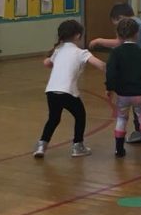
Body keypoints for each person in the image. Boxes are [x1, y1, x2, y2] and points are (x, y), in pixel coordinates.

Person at [34, 19, 105, 159]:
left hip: (51, 91)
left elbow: (46, 63)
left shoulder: (58, 50)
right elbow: (101, 65)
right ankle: (78, 146)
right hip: (67, 92)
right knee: (80, 116)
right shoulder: (82, 53)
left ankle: (42, 145)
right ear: (78, 36)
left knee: (53, 118)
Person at [90, 2, 141, 144]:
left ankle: (138, 133)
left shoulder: (134, 27)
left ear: (120, 18)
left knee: (130, 106)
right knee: (140, 102)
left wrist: (99, 41)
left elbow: (119, 43)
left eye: (116, 24)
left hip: (138, 69)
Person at [106, 17, 141, 159]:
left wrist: (109, 88)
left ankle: (119, 149)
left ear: (118, 35)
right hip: (140, 94)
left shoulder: (116, 53)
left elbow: (110, 73)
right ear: (137, 34)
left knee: (121, 119)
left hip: (123, 94)